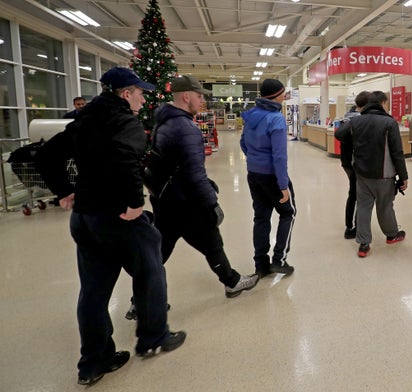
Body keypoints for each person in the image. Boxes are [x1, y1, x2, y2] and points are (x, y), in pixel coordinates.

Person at [35, 67, 185, 386]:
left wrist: (64, 191)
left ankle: (94, 362)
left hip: (85, 218)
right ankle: (153, 336)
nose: (143, 100)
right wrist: (135, 203)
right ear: (125, 93)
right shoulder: (124, 122)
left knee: (93, 291)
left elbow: (46, 155)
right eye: (140, 93)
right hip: (119, 216)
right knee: (151, 270)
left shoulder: (84, 120)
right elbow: (124, 159)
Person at [124, 75, 258, 320]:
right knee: (212, 243)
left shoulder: (164, 123)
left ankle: (139, 300)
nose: (202, 101)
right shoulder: (186, 128)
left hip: (166, 199)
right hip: (187, 203)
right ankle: (232, 282)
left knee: (161, 250)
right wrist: (211, 202)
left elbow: (176, 164)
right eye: (199, 96)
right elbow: (194, 172)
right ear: (186, 96)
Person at [335, 91, 408, 258]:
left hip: (362, 174)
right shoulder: (389, 122)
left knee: (363, 207)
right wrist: (403, 176)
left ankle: (364, 244)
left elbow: (339, 133)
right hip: (384, 175)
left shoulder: (355, 121)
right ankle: (391, 235)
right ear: (382, 103)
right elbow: (397, 152)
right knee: (385, 206)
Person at [241, 79, 296, 278]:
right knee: (288, 212)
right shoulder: (276, 118)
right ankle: (279, 260)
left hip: (254, 175)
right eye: (283, 93)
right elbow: (279, 156)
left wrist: (254, 159)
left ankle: (261, 264)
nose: (284, 96)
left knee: (261, 217)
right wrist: (283, 185)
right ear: (276, 95)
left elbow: (243, 143)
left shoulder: (250, 115)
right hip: (272, 176)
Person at [337, 91, 370, 239]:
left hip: (347, 162)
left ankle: (349, 226)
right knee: (359, 195)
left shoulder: (347, 118)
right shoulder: (359, 119)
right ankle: (355, 226)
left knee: (353, 193)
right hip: (356, 162)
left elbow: (340, 135)